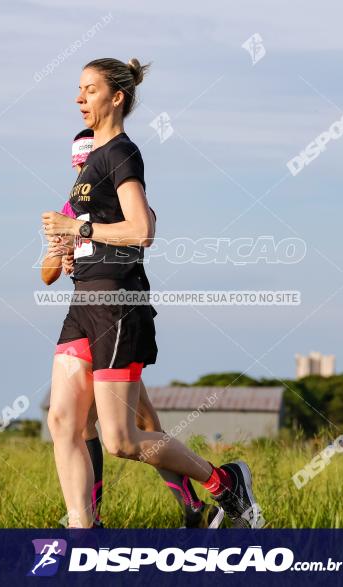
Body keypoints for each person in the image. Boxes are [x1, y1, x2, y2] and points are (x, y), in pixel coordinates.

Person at [41, 57, 262, 529]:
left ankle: (224, 483)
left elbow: (142, 230)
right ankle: (84, 533)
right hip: (84, 300)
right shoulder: (88, 166)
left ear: (115, 97)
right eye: (77, 89)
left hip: (117, 300)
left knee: (122, 439)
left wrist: (76, 226)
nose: (78, 98)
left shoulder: (122, 153)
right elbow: (96, 233)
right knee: (64, 422)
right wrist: (65, 243)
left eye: (89, 89)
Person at [40, 129, 223, 529]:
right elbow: (47, 274)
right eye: (77, 163)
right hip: (85, 314)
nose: (80, 170)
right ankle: (91, 521)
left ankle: (197, 500)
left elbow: (141, 235)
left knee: (138, 426)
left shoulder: (124, 198)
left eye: (85, 162)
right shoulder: (69, 208)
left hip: (118, 311)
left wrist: (83, 237)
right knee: (84, 423)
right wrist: (63, 249)